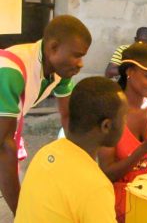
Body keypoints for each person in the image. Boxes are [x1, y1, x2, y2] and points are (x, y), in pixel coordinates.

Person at [0, 15, 91, 215]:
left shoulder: (60, 73)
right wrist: (23, 213)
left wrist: (87, 167)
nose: (81, 63)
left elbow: (68, 119)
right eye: (76, 55)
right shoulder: (11, 70)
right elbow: (4, 146)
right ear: (53, 48)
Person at [15, 77, 127, 223]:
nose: (126, 122)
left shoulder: (45, 152)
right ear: (106, 126)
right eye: (124, 116)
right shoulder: (95, 187)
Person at [98, 42, 147, 223]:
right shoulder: (111, 110)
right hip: (116, 200)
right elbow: (107, 173)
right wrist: (145, 148)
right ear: (129, 72)